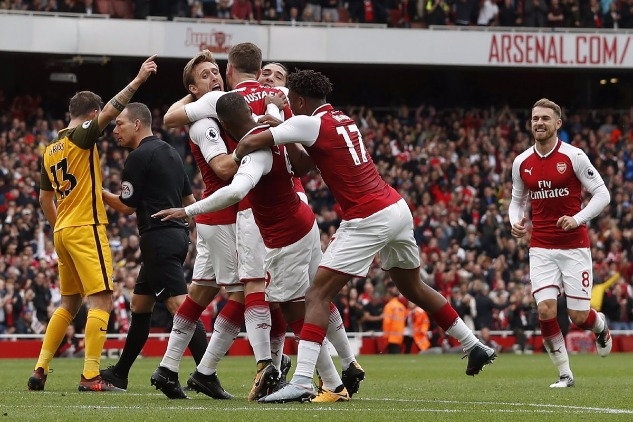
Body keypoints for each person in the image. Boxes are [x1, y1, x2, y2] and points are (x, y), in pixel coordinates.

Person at [232, 69, 496, 403]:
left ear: (297, 100)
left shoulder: (308, 123)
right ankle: (474, 345)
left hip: (367, 216)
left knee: (316, 295)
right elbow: (303, 166)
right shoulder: (342, 118)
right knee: (413, 287)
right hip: (396, 207)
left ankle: (302, 381)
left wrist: (262, 127)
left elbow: (249, 143)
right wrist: (284, 130)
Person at [155, 91, 355, 402]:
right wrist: (276, 106)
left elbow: (235, 192)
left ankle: (329, 384)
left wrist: (187, 210)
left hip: (287, 234)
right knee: (297, 301)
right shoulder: (272, 129)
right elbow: (303, 162)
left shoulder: (254, 149)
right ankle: (329, 376)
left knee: (293, 307)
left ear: (224, 125)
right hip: (300, 221)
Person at [27, 56, 157, 392]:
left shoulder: (49, 149)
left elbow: (44, 199)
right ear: (91, 114)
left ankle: (40, 368)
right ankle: (90, 376)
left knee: (68, 304)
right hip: (86, 227)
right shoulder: (80, 137)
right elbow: (112, 111)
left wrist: (58, 227)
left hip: (62, 231)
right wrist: (138, 80)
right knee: (101, 299)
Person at [99, 102, 208, 399]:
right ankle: (120, 373)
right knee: (140, 305)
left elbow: (126, 206)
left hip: (157, 239)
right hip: (175, 237)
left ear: (137, 124)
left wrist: (99, 192)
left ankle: (206, 373)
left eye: (119, 124)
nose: (115, 130)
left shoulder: (138, 157)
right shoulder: (172, 153)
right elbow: (189, 201)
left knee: (180, 308)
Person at [149, 50, 237, 401]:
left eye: (216, 71)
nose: (214, 77)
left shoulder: (221, 108)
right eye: (205, 75)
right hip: (224, 213)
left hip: (217, 215)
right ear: (192, 89)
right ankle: (206, 371)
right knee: (245, 295)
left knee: (199, 294)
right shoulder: (205, 121)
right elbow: (223, 170)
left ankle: (167, 368)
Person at [509, 98, 612, 388]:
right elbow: (516, 201)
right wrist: (515, 221)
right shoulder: (521, 162)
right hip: (540, 247)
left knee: (578, 316)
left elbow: (603, 194)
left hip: (574, 247)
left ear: (558, 123)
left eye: (545, 118)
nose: (539, 123)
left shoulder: (574, 156)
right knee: (545, 310)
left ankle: (600, 325)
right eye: (535, 118)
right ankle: (565, 374)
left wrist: (577, 219)